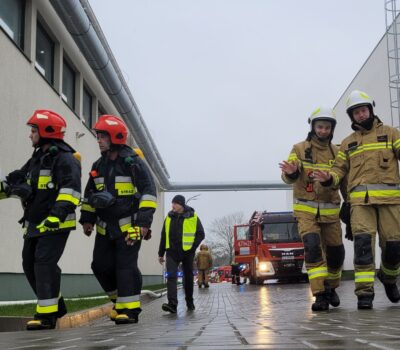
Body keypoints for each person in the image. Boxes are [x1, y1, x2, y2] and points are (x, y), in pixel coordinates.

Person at [313, 90, 400, 309]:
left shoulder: (390, 133)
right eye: (356, 113)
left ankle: (389, 279)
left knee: (394, 247)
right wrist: (327, 178)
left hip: (391, 202)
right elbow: (338, 170)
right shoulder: (347, 143)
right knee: (363, 247)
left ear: (370, 110)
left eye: (363, 110)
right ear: (352, 117)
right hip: (360, 205)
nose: (361, 115)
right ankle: (364, 294)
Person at [0, 109, 81, 330]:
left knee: (43, 263)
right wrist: (15, 185)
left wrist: (56, 216)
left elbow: (71, 191)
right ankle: (58, 305)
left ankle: (46, 317)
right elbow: (17, 183)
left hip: (56, 223)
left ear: (46, 132)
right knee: (29, 264)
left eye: (33, 131)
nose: (30, 135)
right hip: (35, 223)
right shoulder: (36, 159)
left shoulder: (66, 159)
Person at [80, 115, 157, 324]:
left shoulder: (133, 163)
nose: (98, 140)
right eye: (98, 136)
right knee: (100, 266)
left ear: (115, 137)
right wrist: (87, 219)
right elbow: (89, 195)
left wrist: (143, 223)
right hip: (105, 228)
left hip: (130, 226)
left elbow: (149, 193)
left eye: (102, 136)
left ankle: (130, 311)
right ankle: (119, 301)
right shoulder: (98, 165)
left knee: (124, 266)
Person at [279, 106, 345, 312]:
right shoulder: (298, 149)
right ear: (313, 127)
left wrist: (329, 179)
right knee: (313, 247)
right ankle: (319, 295)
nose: (323, 130)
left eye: (327, 127)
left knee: (336, 254)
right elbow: (287, 175)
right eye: (320, 126)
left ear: (332, 129)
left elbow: (339, 176)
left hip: (331, 212)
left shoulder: (338, 152)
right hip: (306, 212)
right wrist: (291, 173)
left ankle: (331, 287)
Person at [158, 195, 205, 313]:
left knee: (188, 278)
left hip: (187, 252)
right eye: (172, 203)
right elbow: (164, 236)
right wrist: (160, 253)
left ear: (181, 205)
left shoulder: (193, 216)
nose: (172, 206)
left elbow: (201, 234)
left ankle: (190, 301)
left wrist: (193, 247)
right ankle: (172, 304)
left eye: (175, 203)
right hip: (172, 252)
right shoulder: (169, 217)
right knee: (171, 276)